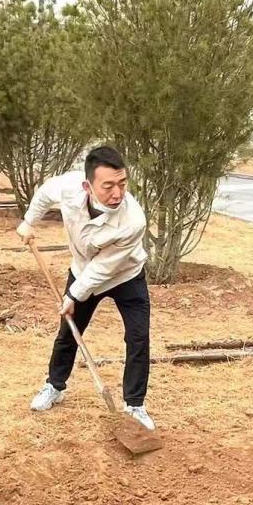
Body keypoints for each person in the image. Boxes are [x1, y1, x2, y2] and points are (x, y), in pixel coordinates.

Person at [16, 145, 155, 430]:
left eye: (122, 183)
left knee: (138, 338)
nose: (117, 193)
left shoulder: (134, 220)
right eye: (108, 186)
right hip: (82, 271)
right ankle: (55, 386)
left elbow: (104, 268)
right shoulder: (68, 187)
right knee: (68, 332)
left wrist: (73, 295)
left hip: (126, 275)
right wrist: (29, 222)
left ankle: (135, 405)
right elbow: (44, 194)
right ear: (87, 185)